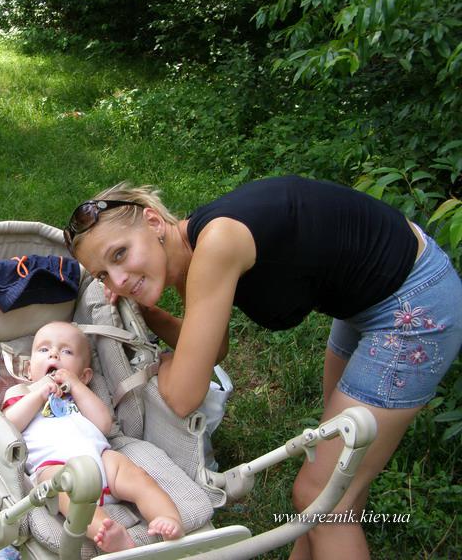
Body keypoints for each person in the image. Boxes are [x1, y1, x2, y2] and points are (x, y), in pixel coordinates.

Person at [63, 175, 462, 559]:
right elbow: (214, 348)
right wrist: (149, 315)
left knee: (322, 495)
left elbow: (183, 397)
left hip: (411, 305)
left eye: (120, 254)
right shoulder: (189, 249)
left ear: (153, 221)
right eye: (103, 275)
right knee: (338, 480)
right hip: (365, 299)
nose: (117, 280)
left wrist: (161, 367)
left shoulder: (217, 242)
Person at [2, 321, 184, 553]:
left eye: (67, 352)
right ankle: (106, 531)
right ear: (29, 370)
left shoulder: (80, 396)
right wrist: (38, 394)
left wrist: (76, 386)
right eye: (44, 349)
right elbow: (9, 425)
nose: (54, 354)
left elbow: (104, 425)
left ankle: (167, 517)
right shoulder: (21, 395)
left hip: (102, 459)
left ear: (85, 375)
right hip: (56, 468)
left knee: (139, 478)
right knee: (62, 491)